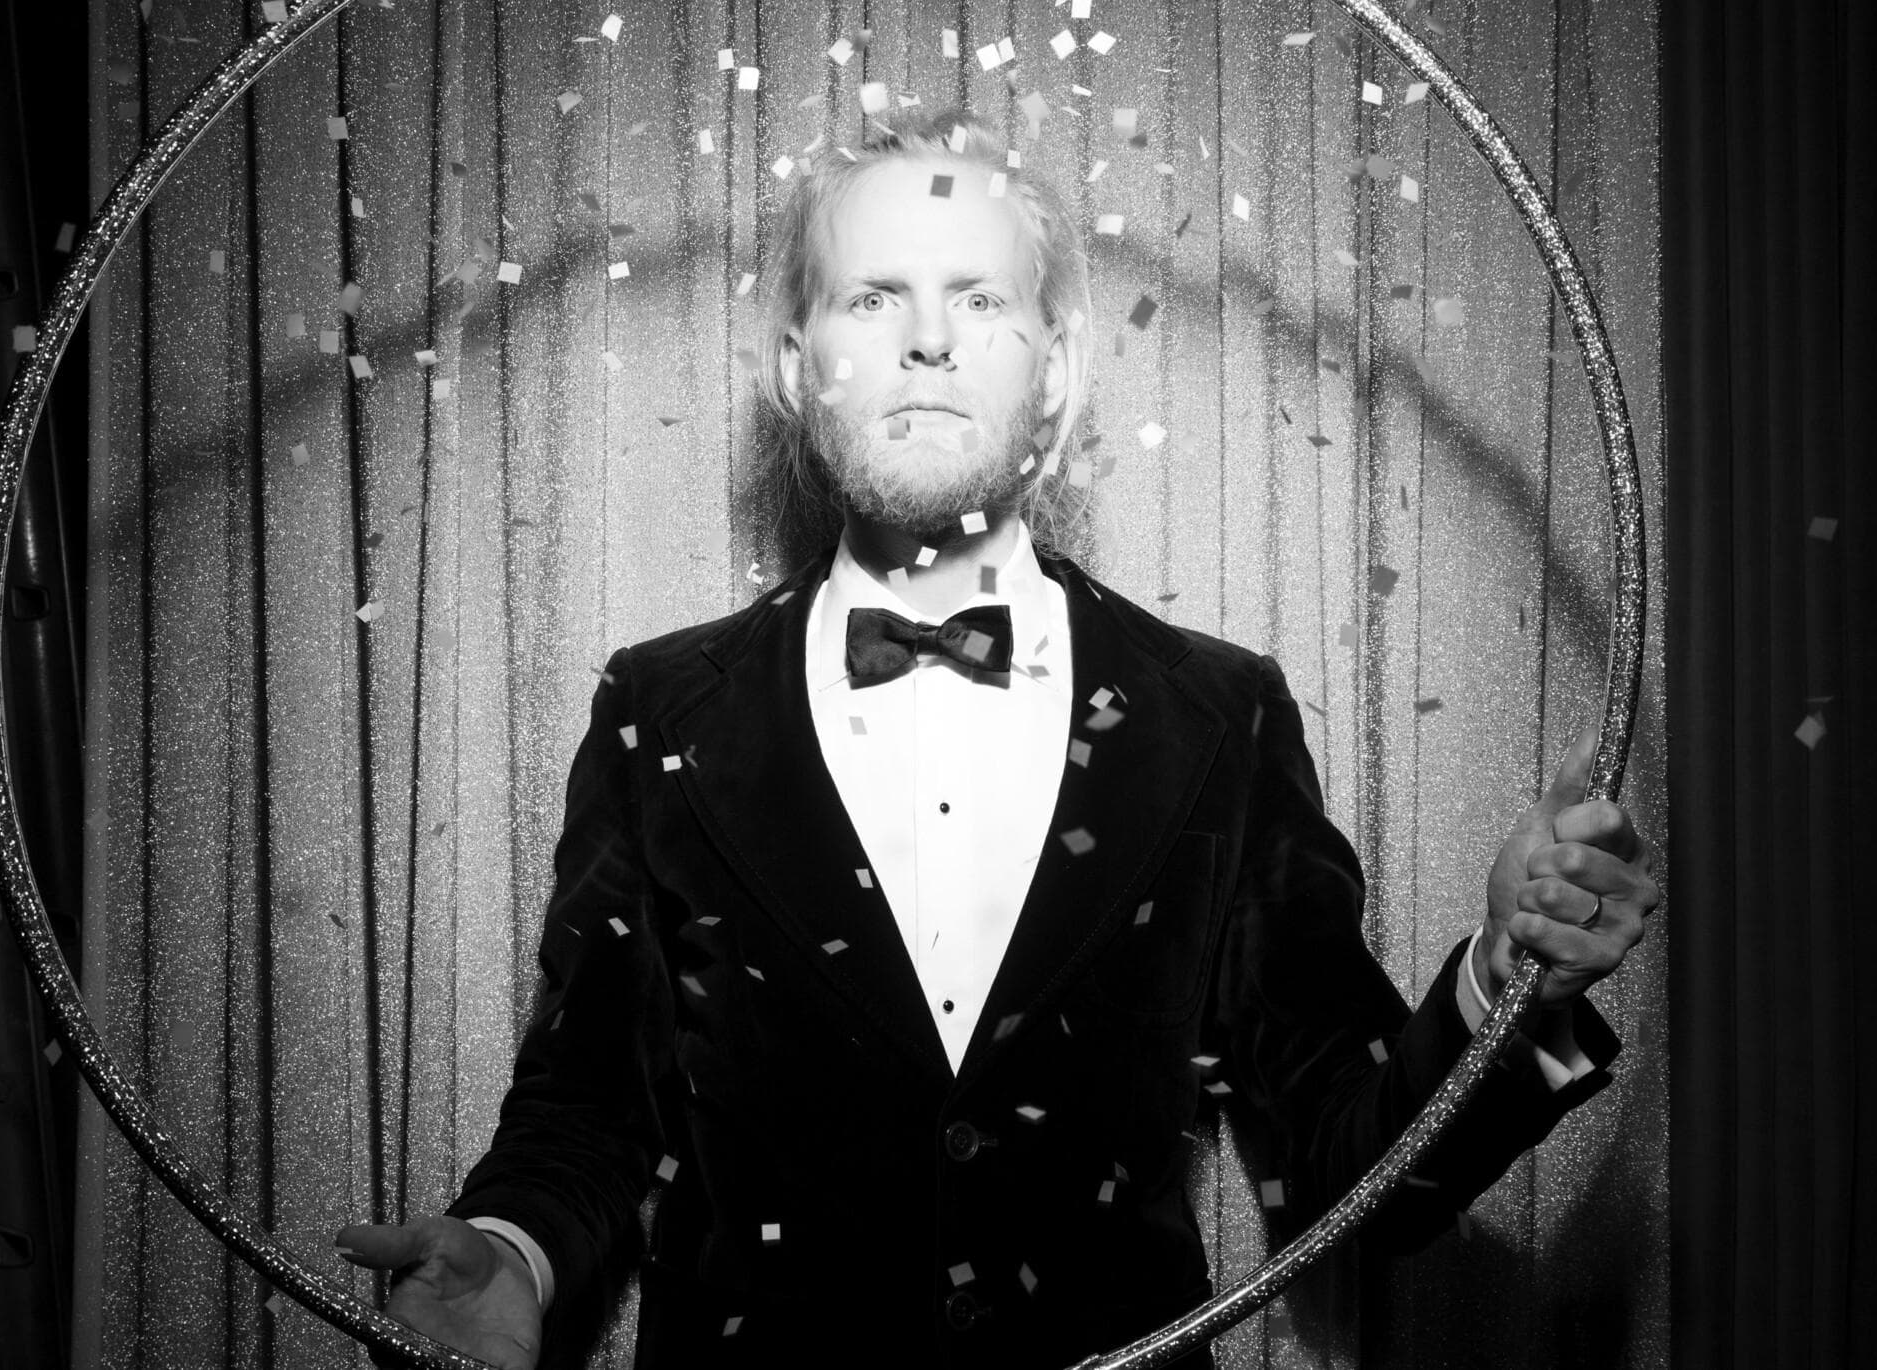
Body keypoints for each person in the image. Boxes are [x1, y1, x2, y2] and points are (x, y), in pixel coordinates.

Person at [334, 107, 1658, 1370]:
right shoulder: (656, 706)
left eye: (978, 300)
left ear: (1059, 368)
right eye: (874, 298)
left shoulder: (1219, 714)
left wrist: (1507, 985)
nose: (929, 342)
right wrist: (512, 1256)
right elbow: (587, 1108)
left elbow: (1353, 1162)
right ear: (794, 367)